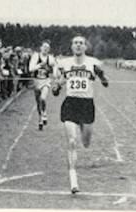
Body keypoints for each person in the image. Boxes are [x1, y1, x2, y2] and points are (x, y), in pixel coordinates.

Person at [52, 35, 109, 194]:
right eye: (75, 43)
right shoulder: (64, 63)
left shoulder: (94, 62)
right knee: (71, 141)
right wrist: (56, 88)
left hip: (87, 105)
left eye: (81, 43)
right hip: (70, 103)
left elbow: (106, 83)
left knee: (86, 142)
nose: (78, 45)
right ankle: (73, 180)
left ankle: (85, 139)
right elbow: (58, 86)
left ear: (85, 47)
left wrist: (102, 75)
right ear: (72, 47)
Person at [29, 40, 56, 130]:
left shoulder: (50, 58)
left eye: (47, 48)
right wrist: (39, 65)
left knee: (43, 98)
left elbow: (55, 67)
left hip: (46, 81)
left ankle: (44, 113)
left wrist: (54, 73)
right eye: (44, 47)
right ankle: (40, 119)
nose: (45, 49)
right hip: (36, 81)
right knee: (38, 102)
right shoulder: (35, 56)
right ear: (40, 48)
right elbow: (30, 69)